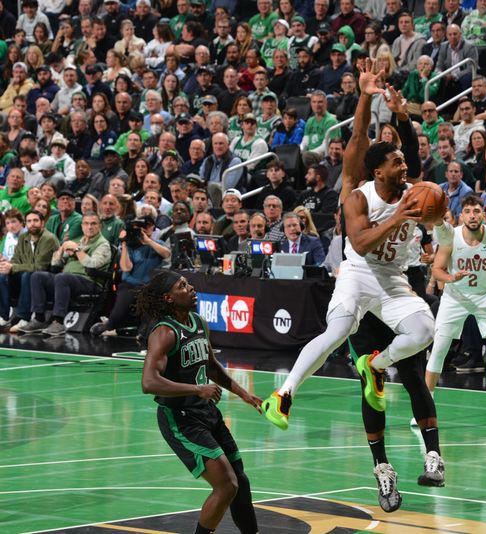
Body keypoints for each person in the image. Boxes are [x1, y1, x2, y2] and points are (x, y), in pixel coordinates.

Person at [262, 64, 438, 512]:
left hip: (395, 280)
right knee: (336, 331)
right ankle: (283, 396)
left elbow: (413, 150)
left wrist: (399, 115)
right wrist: (363, 97)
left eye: (402, 158)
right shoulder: (358, 194)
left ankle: (378, 366)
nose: (402, 162)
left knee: (424, 330)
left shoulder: (412, 188)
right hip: (358, 272)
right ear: (376, 169)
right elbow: (359, 239)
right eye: (394, 159)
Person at [138, 271, 262, 534]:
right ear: (168, 298)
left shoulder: (198, 322)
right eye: (182, 286)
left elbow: (212, 367)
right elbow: (148, 383)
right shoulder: (163, 332)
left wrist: (243, 393)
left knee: (240, 480)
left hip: (206, 412)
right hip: (180, 418)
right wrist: (197, 389)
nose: (191, 287)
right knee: (227, 485)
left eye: (188, 283)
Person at [426, 194, 486, 425]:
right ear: (462, 215)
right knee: (438, 349)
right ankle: (425, 406)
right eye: (468, 211)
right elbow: (437, 269)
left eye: (477, 211)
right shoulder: (451, 237)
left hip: (485, 297)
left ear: (482, 214)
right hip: (454, 298)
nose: (473, 215)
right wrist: (451, 276)